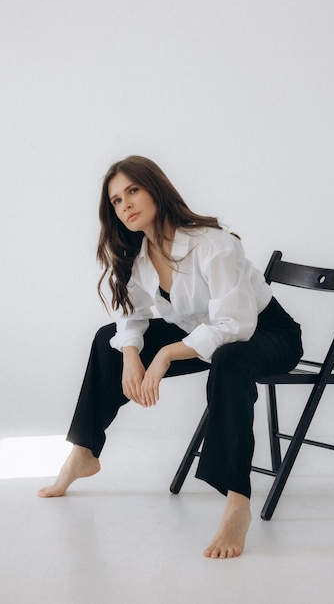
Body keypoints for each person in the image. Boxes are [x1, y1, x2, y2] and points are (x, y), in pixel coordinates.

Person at [38, 155, 303, 559]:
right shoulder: (140, 253)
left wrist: (163, 356)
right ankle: (84, 454)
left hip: (266, 333)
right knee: (107, 340)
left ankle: (237, 502)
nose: (124, 204)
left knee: (230, 360)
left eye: (132, 191)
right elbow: (131, 315)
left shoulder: (212, 244)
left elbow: (235, 325)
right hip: (207, 331)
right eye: (115, 200)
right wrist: (131, 355)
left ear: (155, 189)